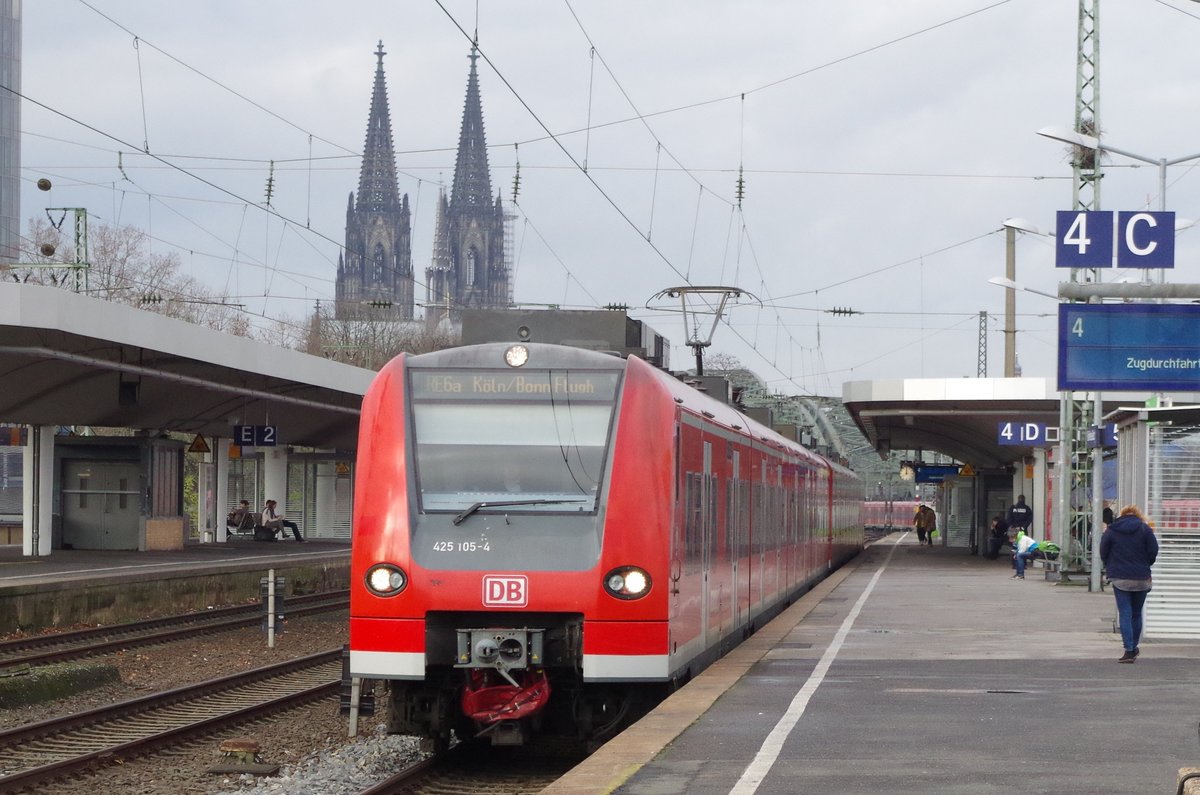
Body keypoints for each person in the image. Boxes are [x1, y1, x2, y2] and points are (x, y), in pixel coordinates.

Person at [1100, 504, 1158, 663]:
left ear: (1121, 515)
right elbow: (1153, 550)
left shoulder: (1112, 530)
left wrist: (1110, 565)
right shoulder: (1145, 529)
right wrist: (1146, 564)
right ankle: (1134, 646)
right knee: (1136, 613)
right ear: (1138, 515)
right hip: (1141, 577)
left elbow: (1103, 551)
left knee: (1125, 613)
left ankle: (1129, 649)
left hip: (1119, 578)